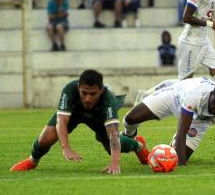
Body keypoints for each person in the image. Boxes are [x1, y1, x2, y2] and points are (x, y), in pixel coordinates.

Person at [10, 69, 150, 174]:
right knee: (45, 138)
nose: (88, 98)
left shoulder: (108, 100)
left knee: (111, 147)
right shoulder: (69, 89)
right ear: (78, 88)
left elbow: (113, 134)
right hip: (74, 113)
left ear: (101, 91)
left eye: (93, 93)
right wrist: (66, 148)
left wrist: (115, 163)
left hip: (98, 117)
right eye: (84, 93)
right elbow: (61, 121)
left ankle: (138, 146)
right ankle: (32, 161)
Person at [122, 77, 215, 166]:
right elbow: (182, 129)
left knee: (171, 159)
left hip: (200, 120)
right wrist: (182, 166)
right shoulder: (197, 94)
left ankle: (140, 148)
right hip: (174, 97)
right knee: (130, 119)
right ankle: (132, 137)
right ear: (212, 93)